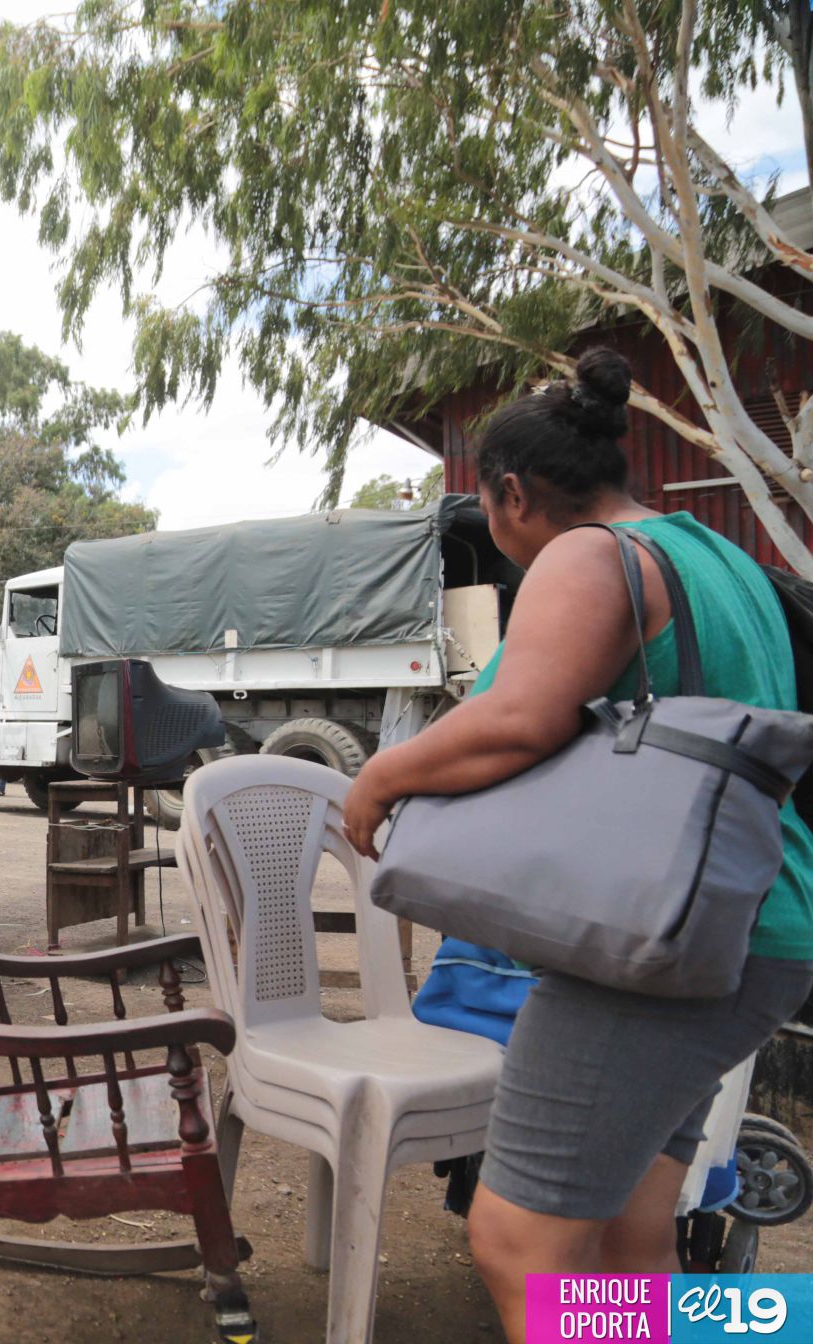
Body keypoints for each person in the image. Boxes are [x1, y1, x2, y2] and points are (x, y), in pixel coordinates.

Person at [338, 349, 813, 1344]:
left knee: (521, 1245)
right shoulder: (718, 560)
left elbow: (519, 719)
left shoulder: (589, 555)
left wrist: (380, 778)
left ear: (511, 492)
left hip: (657, 943)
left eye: (487, 508)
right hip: (756, 927)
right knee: (632, 1235)